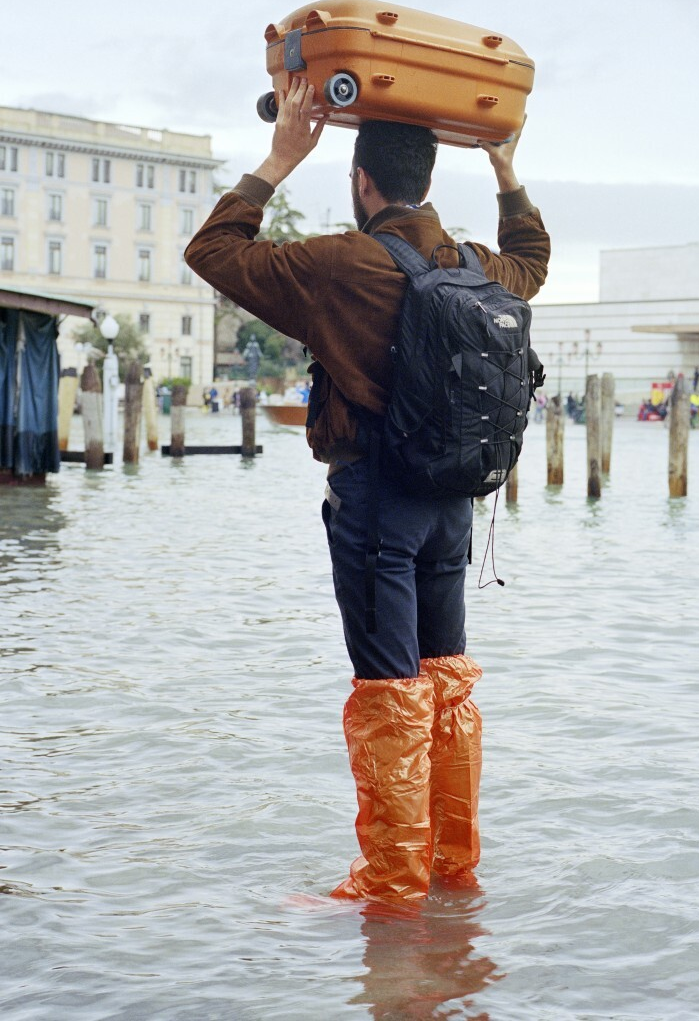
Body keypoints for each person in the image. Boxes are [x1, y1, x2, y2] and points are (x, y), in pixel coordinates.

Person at [185, 77, 550, 905]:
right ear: (427, 179)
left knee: (389, 693)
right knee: (444, 679)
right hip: (453, 509)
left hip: (378, 506)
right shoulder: (472, 265)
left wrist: (280, 157)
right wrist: (506, 169)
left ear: (362, 182)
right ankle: (451, 867)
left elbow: (213, 254)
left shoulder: (341, 264)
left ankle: (391, 888)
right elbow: (532, 263)